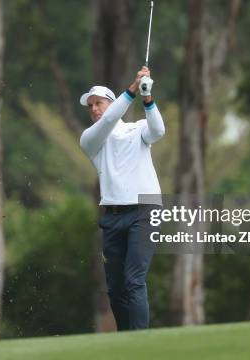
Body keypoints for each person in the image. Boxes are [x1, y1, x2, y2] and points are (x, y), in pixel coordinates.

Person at [79, 66, 165, 330]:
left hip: (145, 211)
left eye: (99, 103)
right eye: (90, 105)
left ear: (111, 102)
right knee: (116, 289)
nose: (94, 109)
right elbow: (107, 122)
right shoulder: (90, 139)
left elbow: (158, 131)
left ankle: (141, 344)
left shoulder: (137, 128)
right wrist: (132, 89)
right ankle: (126, 341)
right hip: (113, 217)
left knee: (133, 280)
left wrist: (147, 97)